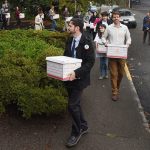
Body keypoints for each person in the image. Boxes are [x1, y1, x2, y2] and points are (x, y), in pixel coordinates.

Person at [64, 18, 95, 147]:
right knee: (75, 105)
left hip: (80, 79)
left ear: (77, 28)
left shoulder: (87, 42)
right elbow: (65, 56)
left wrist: (76, 73)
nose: (68, 27)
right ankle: (84, 125)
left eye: (70, 26)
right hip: (68, 79)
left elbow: (90, 62)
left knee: (72, 105)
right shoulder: (70, 40)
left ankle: (76, 132)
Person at [105, 11, 131, 101]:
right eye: (114, 17)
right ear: (112, 18)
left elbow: (128, 38)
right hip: (112, 55)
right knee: (113, 74)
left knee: (121, 74)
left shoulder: (125, 28)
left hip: (121, 54)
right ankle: (114, 92)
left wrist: (127, 44)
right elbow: (103, 38)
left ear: (120, 18)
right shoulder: (109, 28)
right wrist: (106, 43)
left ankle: (117, 87)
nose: (116, 18)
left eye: (117, 17)